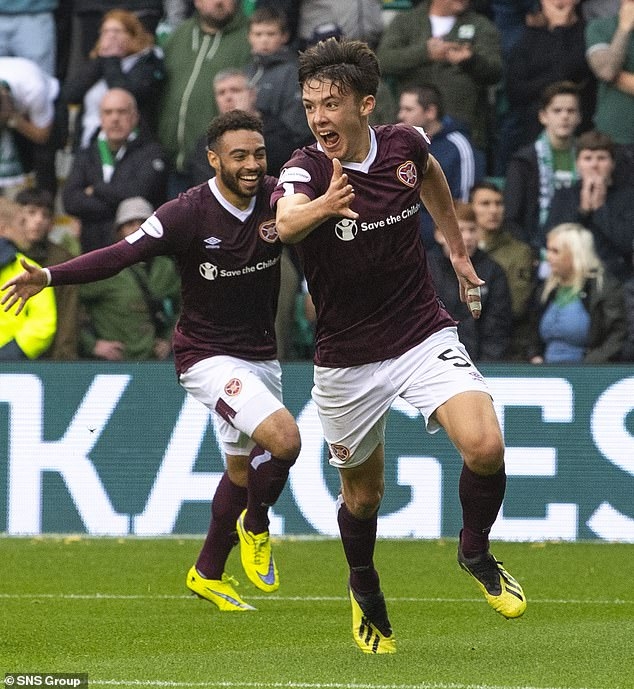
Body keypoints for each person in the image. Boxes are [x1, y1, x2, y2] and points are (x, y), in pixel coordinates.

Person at [272, 38, 526, 655]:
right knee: (364, 497)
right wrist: (324, 206)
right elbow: (284, 222)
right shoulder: (306, 170)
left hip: (419, 332)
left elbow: (431, 175)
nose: (319, 118)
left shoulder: (405, 145)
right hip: (346, 359)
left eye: (330, 105)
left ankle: (475, 550)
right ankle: (363, 584)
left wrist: (456, 250)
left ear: (365, 105)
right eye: (310, 106)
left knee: (485, 446)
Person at [2, 110, 301, 613]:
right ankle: (255, 525)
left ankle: (207, 573)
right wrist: (49, 277)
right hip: (206, 357)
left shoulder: (277, 198)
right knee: (285, 440)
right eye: (239, 156)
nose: (252, 165)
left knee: (240, 474)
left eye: (259, 154)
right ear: (214, 160)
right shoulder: (185, 212)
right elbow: (118, 255)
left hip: (260, 357)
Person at [376, 0, 503, 155]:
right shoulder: (406, 21)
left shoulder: (480, 25)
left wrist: (470, 60)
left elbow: (495, 71)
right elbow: (383, 61)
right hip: (411, 133)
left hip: (463, 130)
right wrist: (425, 53)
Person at [157, 0, 252, 197]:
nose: (219, 2)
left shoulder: (248, 38)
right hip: (168, 164)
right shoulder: (181, 34)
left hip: (213, 167)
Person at [62, 87, 167, 253]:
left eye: (122, 112)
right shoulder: (86, 154)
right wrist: (119, 204)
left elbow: (139, 194)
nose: (115, 118)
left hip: (138, 251)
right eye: (108, 112)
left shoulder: (152, 152)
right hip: (92, 250)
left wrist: (96, 189)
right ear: (101, 118)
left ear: (134, 117)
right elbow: (70, 201)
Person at [77, 196, 180, 361]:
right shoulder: (104, 266)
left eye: (144, 223)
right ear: (119, 231)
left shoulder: (165, 267)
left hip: (154, 363)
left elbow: (186, 308)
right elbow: (69, 305)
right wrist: (92, 344)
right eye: (130, 224)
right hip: (114, 363)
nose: (138, 229)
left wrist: (170, 339)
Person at [504, 81, 582, 269]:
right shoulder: (524, 161)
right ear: (543, 116)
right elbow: (512, 217)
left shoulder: (590, 158)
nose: (564, 116)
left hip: (582, 250)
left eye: (571, 111)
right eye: (557, 111)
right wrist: (531, 251)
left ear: (579, 117)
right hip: (537, 254)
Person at [61, 9, 165, 150]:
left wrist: (111, 59)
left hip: (129, 144)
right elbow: (70, 94)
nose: (110, 37)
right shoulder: (99, 62)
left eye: (116, 31)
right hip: (88, 142)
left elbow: (124, 94)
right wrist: (101, 61)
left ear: (132, 35)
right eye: (105, 32)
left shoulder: (147, 62)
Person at [398, 83, 485, 248]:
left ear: (430, 112)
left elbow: (464, 207)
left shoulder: (459, 146)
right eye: (401, 109)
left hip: (443, 241)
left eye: (408, 110)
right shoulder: (399, 144)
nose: (400, 115)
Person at [504, 0, 596, 154]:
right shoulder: (528, 37)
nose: (558, 2)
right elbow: (515, 90)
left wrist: (559, 29)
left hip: (579, 126)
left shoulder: (588, 33)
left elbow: (567, 71)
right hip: (532, 127)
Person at [527, 222, 625, 363]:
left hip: (587, 371)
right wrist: (534, 356)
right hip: (545, 371)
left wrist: (587, 367)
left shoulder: (603, 288)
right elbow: (532, 334)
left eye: (555, 251)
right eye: (548, 250)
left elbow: (617, 336)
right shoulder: (545, 289)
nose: (548, 257)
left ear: (575, 254)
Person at [544, 129, 634, 283]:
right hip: (570, 275)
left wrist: (599, 209)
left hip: (615, 277)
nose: (594, 165)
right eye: (587, 158)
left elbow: (626, 243)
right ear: (577, 163)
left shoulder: (628, 196)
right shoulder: (564, 195)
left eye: (601, 158)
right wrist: (583, 211)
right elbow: (552, 239)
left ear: (612, 163)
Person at [427, 201, 512, 361]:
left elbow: (497, 326)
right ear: (439, 235)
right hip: (433, 360)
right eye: (460, 230)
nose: (467, 237)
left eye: (472, 230)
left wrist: (489, 363)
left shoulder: (493, 271)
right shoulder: (426, 268)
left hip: (480, 361)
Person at [470, 181, 536, 360]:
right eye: (485, 204)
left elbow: (517, 305)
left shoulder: (520, 252)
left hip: (507, 344)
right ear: (470, 208)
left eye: (499, 203)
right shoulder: (459, 252)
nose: (494, 210)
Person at [244, 6, 313, 176]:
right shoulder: (247, 71)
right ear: (249, 37)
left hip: (281, 159)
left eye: (270, 34)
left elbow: (296, 127)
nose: (264, 40)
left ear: (284, 36)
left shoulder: (293, 73)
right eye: (258, 34)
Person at [14, 187, 79, 360]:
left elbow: (68, 315)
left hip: (49, 359)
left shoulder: (62, 260)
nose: (38, 220)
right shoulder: (5, 255)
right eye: (32, 212)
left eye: (45, 215)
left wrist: (62, 362)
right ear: (17, 216)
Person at [0, 197, 56, 360]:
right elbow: (43, 326)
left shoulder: (29, 270)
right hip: (13, 367)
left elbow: (42, 325)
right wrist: (8, 355)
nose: (26, 229)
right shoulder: (30, 271)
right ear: (3, 228)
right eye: (21, 223)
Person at [0, 56, 59, 198]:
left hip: (48, 102)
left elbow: (42, 135)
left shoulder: (34, 89)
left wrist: (13, 119)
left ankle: (45, 204)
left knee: (43, 157)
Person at [585, 0, 634, 148]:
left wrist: (620, 79)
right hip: (615, 136)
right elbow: (607, 71)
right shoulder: (600, 27)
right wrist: (624, 29)